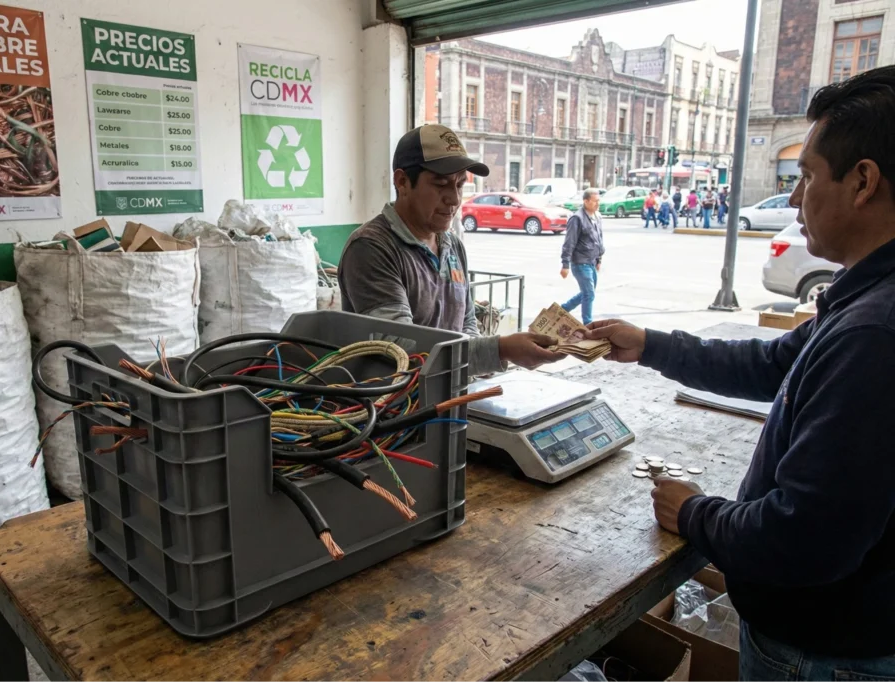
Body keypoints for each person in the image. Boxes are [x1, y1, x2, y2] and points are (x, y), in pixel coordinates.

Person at [586, 66, 895, 681]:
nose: (798, 195)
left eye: (806, 174)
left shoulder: (874, 335)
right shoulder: (866, 300)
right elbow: (772, 363)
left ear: (862, 181)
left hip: (824, 656)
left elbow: (805, 539)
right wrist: (648, 343)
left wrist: (695, 512)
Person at [338, 124, 562, 375]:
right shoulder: (371, 249)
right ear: (402, 182)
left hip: (451, 395)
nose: (454, 199)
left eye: (459, 185)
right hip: (394, 406)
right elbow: (402, 352)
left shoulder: (452, 244)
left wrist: (483, 368)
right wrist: (500, 350)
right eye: (441, 184)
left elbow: (465, 324)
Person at [559, 187, 605, 325]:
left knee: (587, 294)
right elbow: (569, 242)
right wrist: (565, 264)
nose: (598, 204)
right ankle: (588, 324)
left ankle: (563, 310)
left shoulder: (597, 216)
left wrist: (599, 259)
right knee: (589, 294)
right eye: (594, 201)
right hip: (580, 262)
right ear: (585, 201)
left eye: (599, 201)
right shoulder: (577, 218)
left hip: (591, 262)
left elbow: (598, 239)